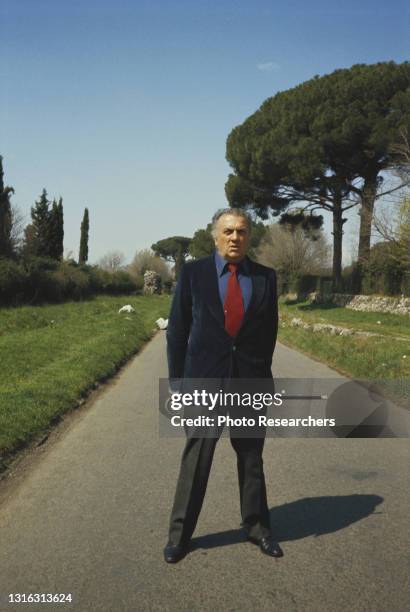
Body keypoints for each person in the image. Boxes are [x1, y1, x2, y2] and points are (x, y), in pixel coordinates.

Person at [164, 208, 283, 563]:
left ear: (250, 236)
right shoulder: (193, 273)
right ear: (216, 236)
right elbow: (177, 332)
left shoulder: (265, 278)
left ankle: (258, 528)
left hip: (249, 383)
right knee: (196, 460)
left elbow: (269, 334)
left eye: (242, 232)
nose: (235, 238)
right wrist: (178, 384)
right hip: (203, 381)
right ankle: (179, 537)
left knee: (251, 459)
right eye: (228, 231)